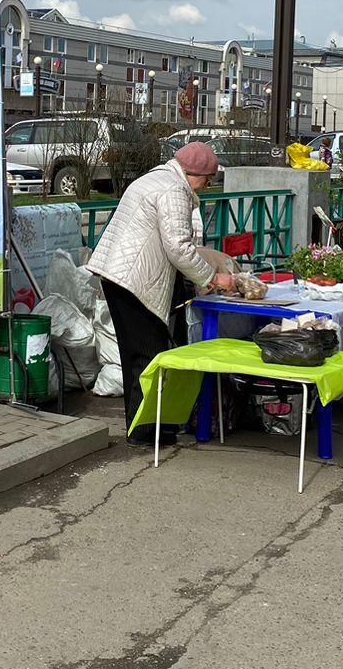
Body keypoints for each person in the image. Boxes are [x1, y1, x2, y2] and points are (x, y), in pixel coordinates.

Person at [87, 141, 236, 445]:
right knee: (148, 355)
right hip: (134, 280)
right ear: (194, 173)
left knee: (134, 355)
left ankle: (142, 426)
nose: (206, 187)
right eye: (207, 180)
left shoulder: (154, 177)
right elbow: (178, 247)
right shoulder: (174, 191)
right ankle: (147, 431)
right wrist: (213, 279)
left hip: (118, 275)